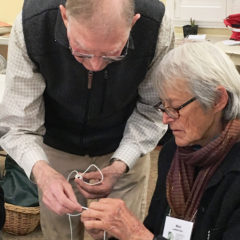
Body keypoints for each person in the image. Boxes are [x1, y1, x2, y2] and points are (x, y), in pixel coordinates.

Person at [0, 0, 174, 239]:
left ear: (133, 23)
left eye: (113, 55)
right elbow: (19, 124)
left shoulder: (156, 26)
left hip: (127, 145)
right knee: (60, 232)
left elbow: (152, 109)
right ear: (64, 17)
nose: (96, 65)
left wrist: (120, 164)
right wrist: (43, 173)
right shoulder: (32, 24)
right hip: (56, 151)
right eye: (81, 51)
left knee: (120, 233)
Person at [80, 41, 240, 240]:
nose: (166, 118)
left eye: (175, 107)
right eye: (163, 106)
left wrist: (135, 233)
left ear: (217, 100)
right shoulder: (173, 153)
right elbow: (156, 231)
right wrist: (114, 233)